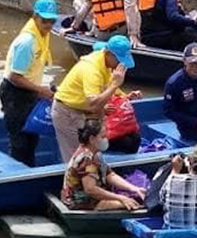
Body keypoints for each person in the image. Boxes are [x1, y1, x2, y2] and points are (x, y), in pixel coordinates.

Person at [52, 34, 135, 163]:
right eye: (119, 60)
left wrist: (126, 96)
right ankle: (73, 182)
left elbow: (106, 87)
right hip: (67, 112)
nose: (120, 64)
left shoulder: (106, 64)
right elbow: (94, 104)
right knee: (76, 159)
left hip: (85, 113)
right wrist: (115, 84)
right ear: (108, 53)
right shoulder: (91, 69)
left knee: (92, 153)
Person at [0, 0, 60, 166]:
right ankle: (19, 175)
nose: (48, 25)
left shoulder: (42, 35)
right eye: (44, 20)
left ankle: (29, 168)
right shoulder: (27, 42)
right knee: (20, 142)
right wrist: (41, 90)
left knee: (32, 137)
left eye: (52, 21)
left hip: (30, 92)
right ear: (35, 17)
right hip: (15, 94)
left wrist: (42, 90)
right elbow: (14, 77)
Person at [61, 120, 147, 211]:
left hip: (92, 196)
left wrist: (134, 189)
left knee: (134, 197)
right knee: (130, 204)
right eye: (103, 136)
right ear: (92, 139)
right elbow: (90, 190)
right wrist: (120, 198)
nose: (106, 139)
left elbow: (110, 175)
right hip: (80, 200)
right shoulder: (86, 159)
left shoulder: (96, 153)